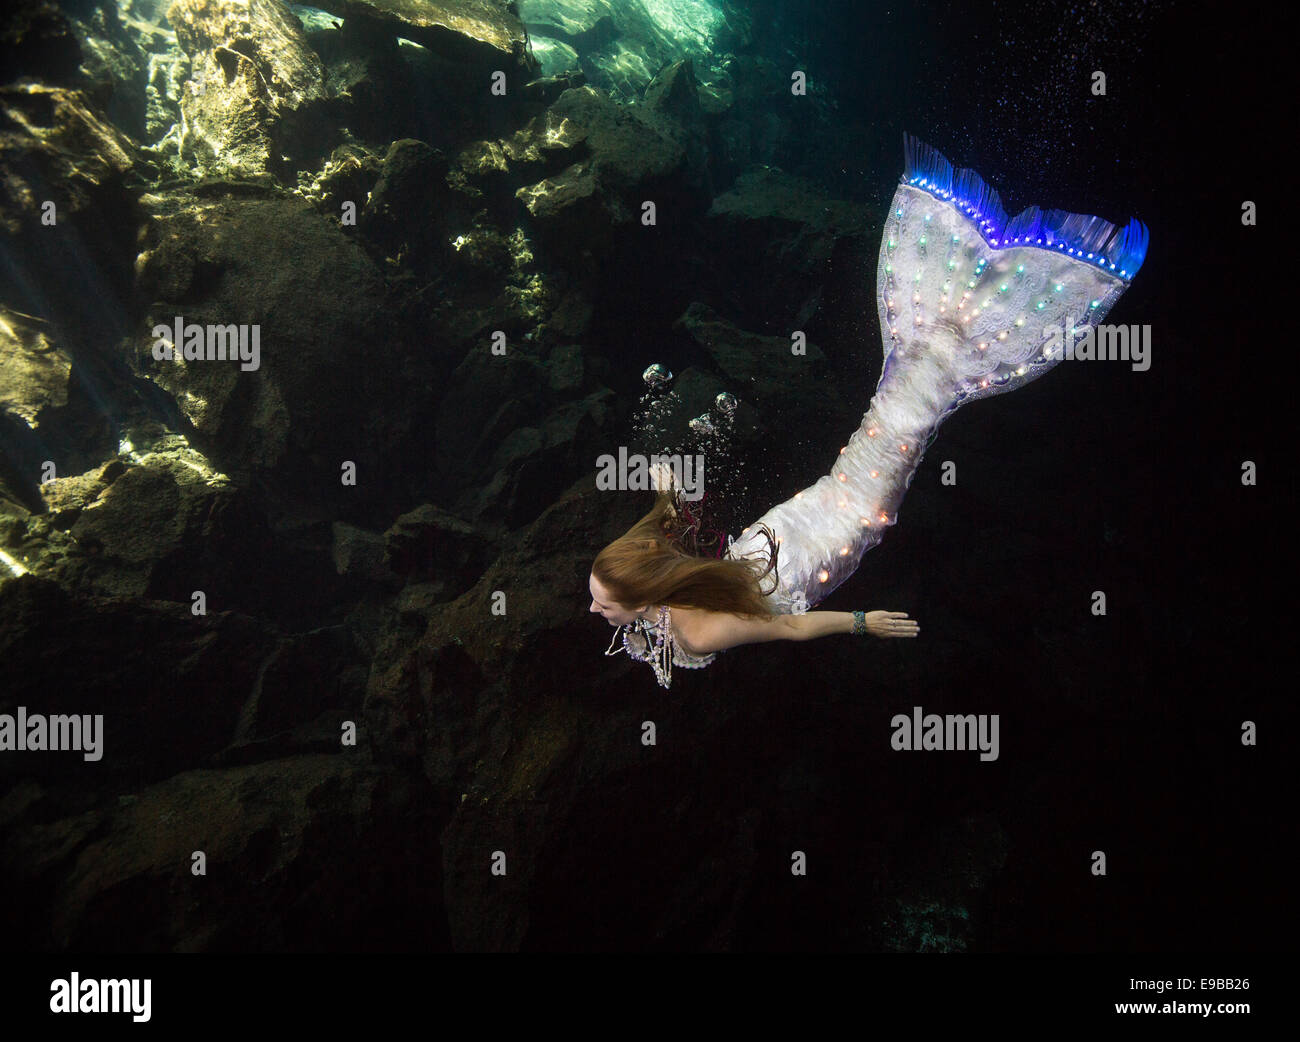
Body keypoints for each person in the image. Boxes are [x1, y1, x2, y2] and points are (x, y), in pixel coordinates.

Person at [592, 133, 1147, 689]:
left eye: (602, 603)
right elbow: (662, 548)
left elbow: (789, 630)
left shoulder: (700, 632)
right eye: (600, 603)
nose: (594, 612)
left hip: (840, 526)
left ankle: (957, 332)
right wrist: (667, 498)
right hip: (783, 531)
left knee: (906, 419)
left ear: (648, 592)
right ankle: (946, 334)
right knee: (890, 419)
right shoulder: (669, 588)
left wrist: (863, 621)